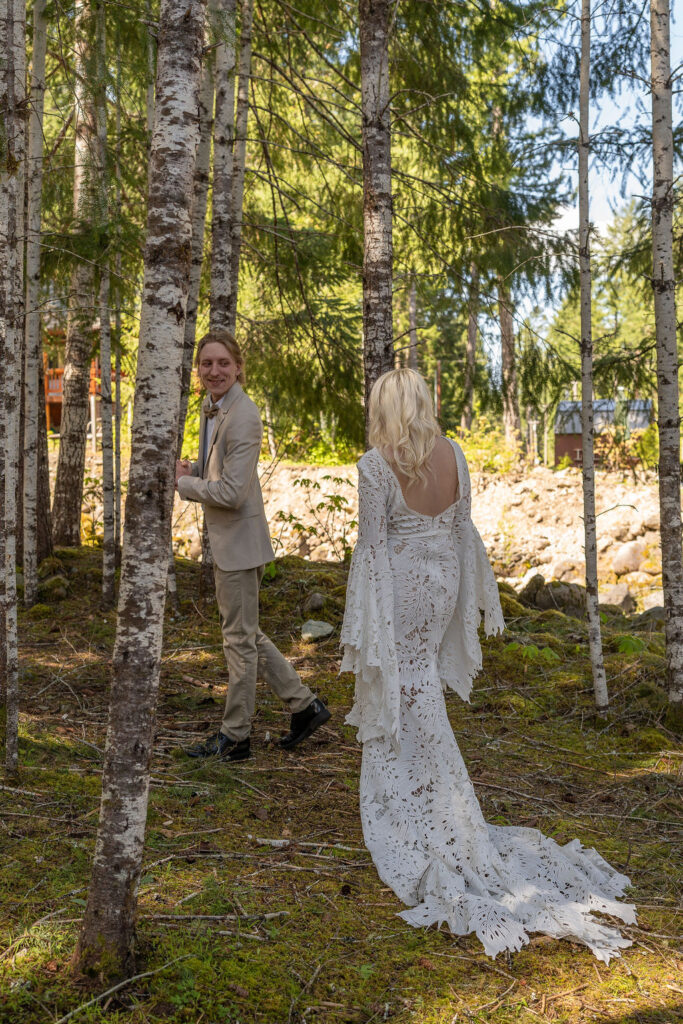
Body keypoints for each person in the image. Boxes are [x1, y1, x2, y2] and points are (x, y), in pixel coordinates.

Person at [340, 368, 635, 962]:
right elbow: (461, 530)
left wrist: (359, 627)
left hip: (398, 583)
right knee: (421, 689)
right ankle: (441, 800)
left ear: (382, 409)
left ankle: (418, 811)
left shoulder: (375, 465)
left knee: (401, 690)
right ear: (424, 402)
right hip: (441, 578)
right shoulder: (456, 454)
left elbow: (370, 546)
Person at [176, 329, 330, 761]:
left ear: (239, 366)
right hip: (233, 542)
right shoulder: (214, 409)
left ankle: (236, 737)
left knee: (239, 642)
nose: (214, 371)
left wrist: (185, 484)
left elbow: (231, 493)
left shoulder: (243, 414)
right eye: (206, 364)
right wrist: (196, 469)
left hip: (239, 547)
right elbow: (222, 472)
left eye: (223, 363)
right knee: (246, 633)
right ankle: (305, 706)